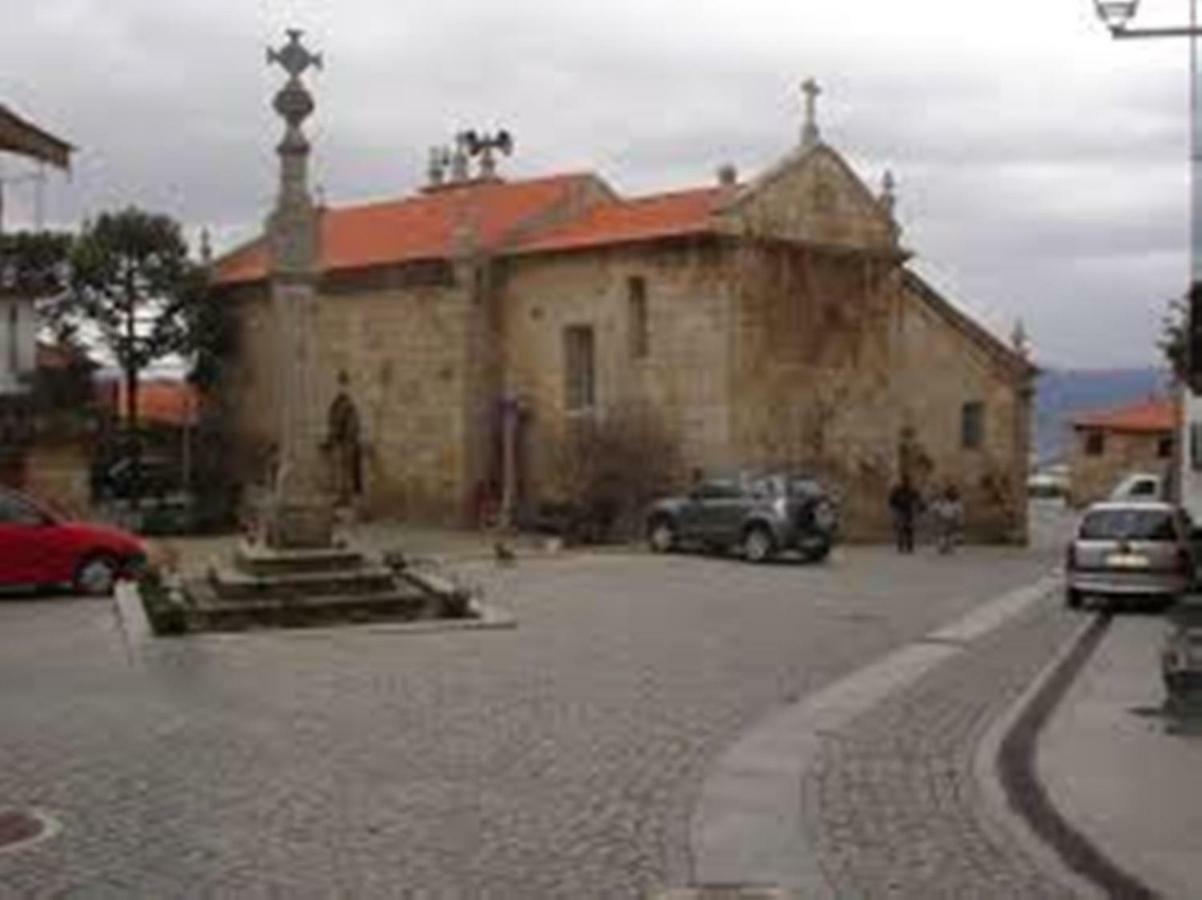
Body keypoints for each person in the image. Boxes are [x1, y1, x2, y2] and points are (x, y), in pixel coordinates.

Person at [889, 479, 922, 554]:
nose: (905, 483)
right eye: (904, 482)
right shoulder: (898, 491)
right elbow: (892, 501)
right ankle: (902, 546)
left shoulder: (911, 490)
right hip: (901, 511)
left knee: (909, 529)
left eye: (907, 482)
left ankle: (909, 546)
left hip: (908, 511)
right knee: (901, 529)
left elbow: (918, 499)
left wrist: (917, 508)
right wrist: (894, 511)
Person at [931, 485, 963, 554]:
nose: (953, 493)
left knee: (950, 536)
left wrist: (958, 521)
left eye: (954, 492)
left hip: (951, 521)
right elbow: (935, 511)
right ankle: (942, 547)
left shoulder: (955, 502)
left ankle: (949, 547)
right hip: (942, 521)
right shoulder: (940, 502)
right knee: (942, 536)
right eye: (951, 492)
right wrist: (936, 520)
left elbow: (958, 512)